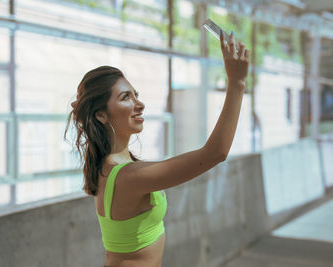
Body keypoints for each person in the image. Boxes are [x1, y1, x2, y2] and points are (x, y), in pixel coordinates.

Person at [64, 30, 249, 267]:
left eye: (136, 95)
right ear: (101, 114)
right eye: (125, 98)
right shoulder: (126, 177)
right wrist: (237, 83)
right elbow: (215, 153)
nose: (139, 104)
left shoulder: (109, 168)